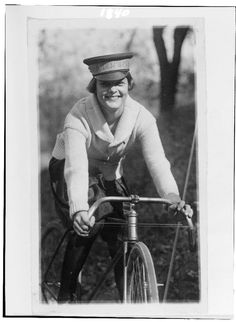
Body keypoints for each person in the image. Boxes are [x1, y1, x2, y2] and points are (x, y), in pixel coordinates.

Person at [49, 52, 193, 303]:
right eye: (105, 84)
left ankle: (127, 297)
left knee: (124, 227)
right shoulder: (78, 115)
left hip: (110, 172)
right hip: (69, 168)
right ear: (95, 86)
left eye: (119, 83)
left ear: (129, 84)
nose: (112, 90)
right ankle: (66, 298)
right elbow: (77, 168)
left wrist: (171, 196)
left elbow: (158, 161)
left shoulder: (142, 117)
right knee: (89, 224)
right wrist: (80, 209)